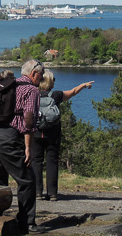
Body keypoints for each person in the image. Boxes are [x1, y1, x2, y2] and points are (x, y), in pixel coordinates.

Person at [0, 59, 45, 234]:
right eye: (41, 74)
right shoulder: (31, 90)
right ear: (34, 73)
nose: (42, 78)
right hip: (8, 137)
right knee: (27, 179)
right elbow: (28, 120)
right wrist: (27, 148)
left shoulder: (9, 85)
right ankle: (27, 223)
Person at [32, 70, 93, 201]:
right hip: (53, 133)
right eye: (53, 79)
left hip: (36, 133)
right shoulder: (56, 95)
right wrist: (83, 85)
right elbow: (73, 92)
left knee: (36, 162)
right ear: (50, 81)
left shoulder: (33, 94)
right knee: (52, 162)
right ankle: (52, 193)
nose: (54, 81)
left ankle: (37, 192)